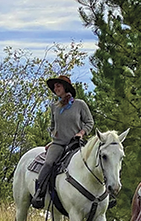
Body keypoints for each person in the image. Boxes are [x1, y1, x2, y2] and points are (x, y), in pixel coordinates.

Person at [30, 75, 94, 209]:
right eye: (54, 87)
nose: (55, 88)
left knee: (94, 161)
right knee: (48, 163)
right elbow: (52, 126)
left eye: (58, 86)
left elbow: (89, 122)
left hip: (76, 143)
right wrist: (53, 135)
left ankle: (105, 196)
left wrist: (81, 133)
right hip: (59, 144)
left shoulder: (79, 104)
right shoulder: (54, 106)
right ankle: (39, 193)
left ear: (65, 87)